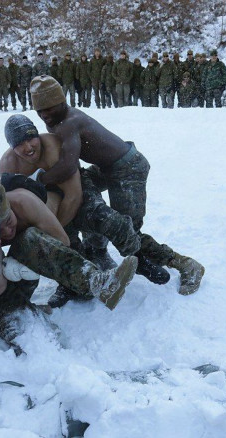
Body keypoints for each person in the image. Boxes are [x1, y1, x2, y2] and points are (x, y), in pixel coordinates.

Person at [0, 183, 138, 380]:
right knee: (47, 345)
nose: (0, 241)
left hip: (15, 274)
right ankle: (32, 319)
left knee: (31, 237)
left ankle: (97, 283)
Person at [29, 76, 205, 295]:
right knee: (87, 202)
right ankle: (97, 250)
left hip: (128, 168)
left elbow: (67, 166)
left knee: (129, 230)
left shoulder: (69, 122)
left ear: (61, 101)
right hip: (107, 168)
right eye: (39, 111)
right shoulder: (57, 119)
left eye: (49, 108)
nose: (45, 115)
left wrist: (38, 179)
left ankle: (185, 264)